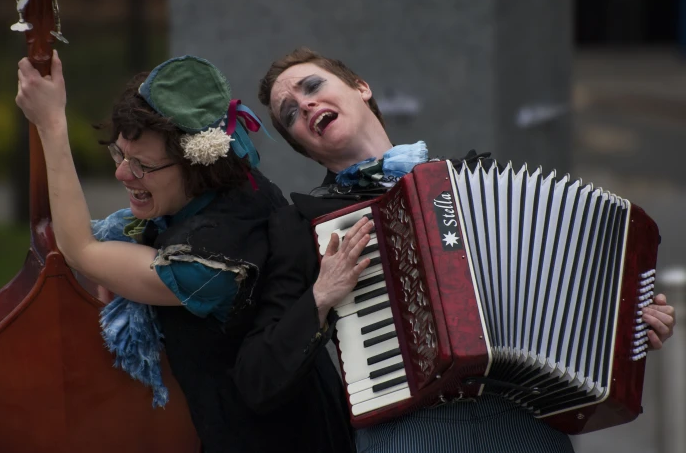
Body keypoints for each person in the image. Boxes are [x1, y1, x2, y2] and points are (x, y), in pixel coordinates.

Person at [233, 47, 677, 452]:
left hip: (523, 425)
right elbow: (257, 379)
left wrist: (628, 325)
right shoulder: (304, 226)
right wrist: (320, 297)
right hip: (410, 433)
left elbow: (557, 292)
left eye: (313, 87)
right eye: (290, 112)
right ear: (302, 145)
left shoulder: (472, 183)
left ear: (360, 88)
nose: (305, 104)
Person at [15, 52, 355, 452]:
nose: (122, 174)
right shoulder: (236, 178)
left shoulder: (209, 265)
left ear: (196, 164)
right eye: (120, 154)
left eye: (142, 165)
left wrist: (52, 124)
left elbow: (81, 249)